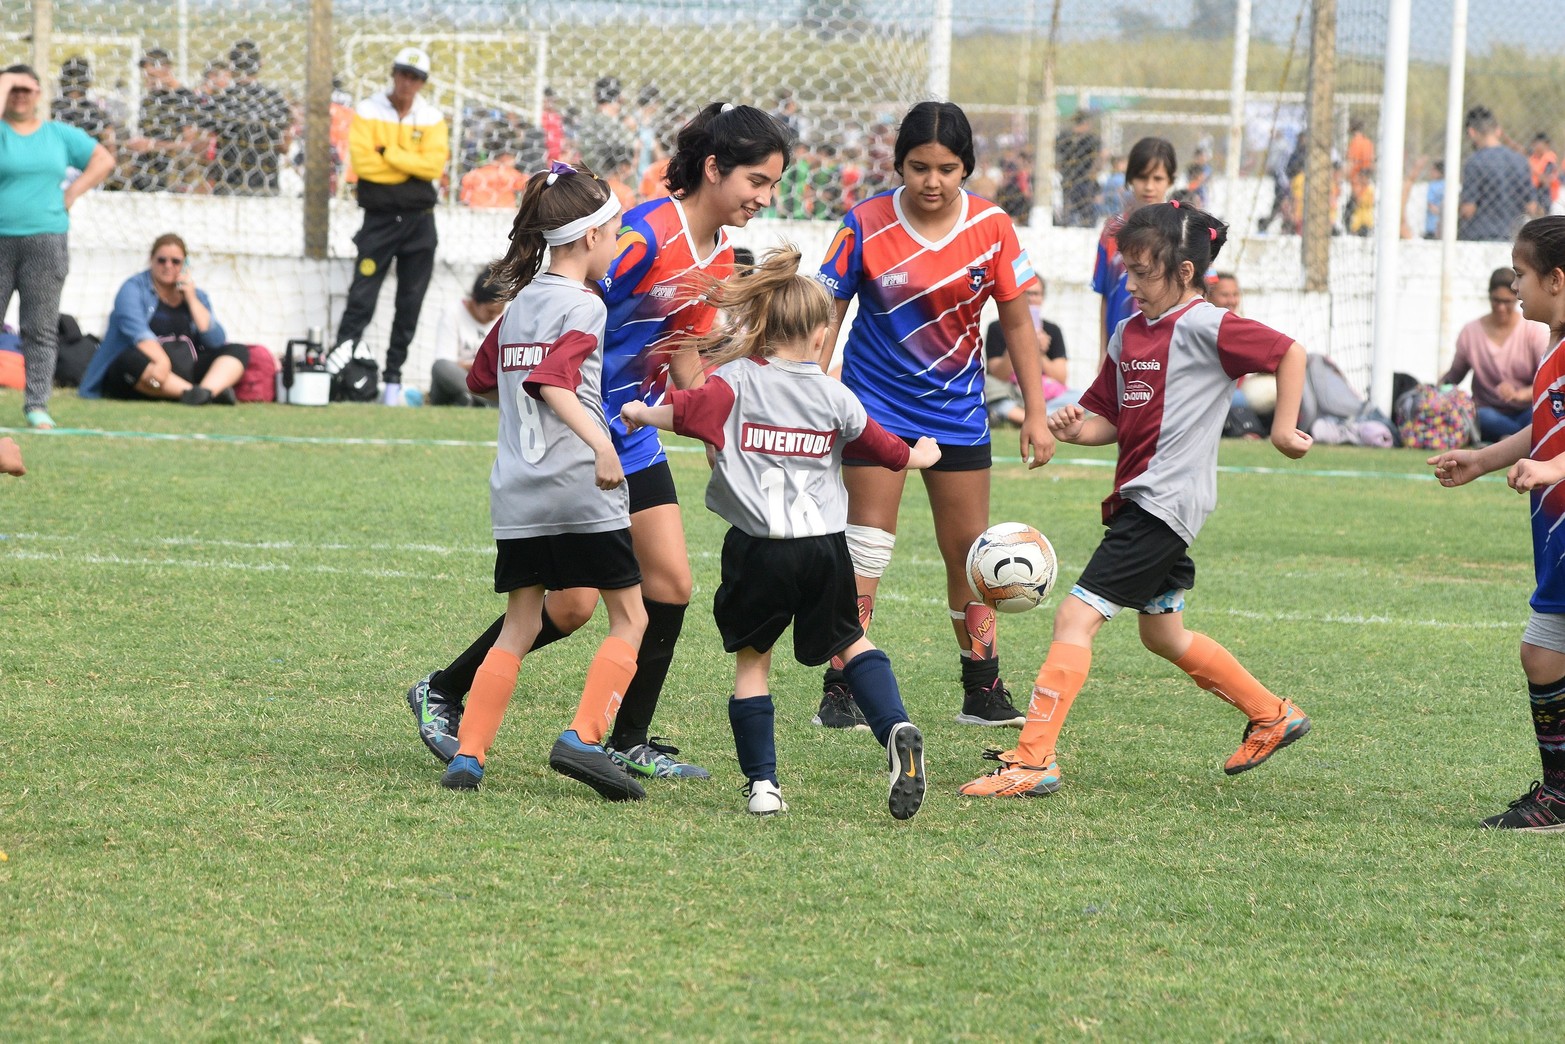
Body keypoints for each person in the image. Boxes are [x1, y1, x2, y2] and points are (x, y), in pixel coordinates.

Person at [405, 104, 794, 781]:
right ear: (713, 169)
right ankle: (443, 687)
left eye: (771, 186)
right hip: (579, 437)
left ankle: (626, 739)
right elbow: (561, 301)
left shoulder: (717, 257)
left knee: (670, 582)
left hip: (632, 433)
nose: (763, 198)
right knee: (573, 607)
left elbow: (683, 360)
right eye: (756, 181)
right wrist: (506, 363)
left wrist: (718, 443)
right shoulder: (639, 234)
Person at [960, 200, 1314, 799]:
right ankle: (1272, 713)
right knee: (1164, 633)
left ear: (1182, 272)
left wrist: (1282, 429)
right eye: (1126, 270)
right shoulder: (1128, 333)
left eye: (1144, 272)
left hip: (1163, 503)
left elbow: (1289, 354)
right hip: (1140, 499)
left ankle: (1032, 759)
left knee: (1076, 617)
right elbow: (1111, 418)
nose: (1130, 284)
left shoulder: (1207, 326)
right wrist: (1076, 428)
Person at [620, 245, 938, 818]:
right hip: (825, 549)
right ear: (821, 336)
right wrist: (924, 455)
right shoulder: (835, 395)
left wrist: (642, 415)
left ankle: (764, 786)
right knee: (850, 640)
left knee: (752, 661)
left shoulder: (735, 382)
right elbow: (887, 451)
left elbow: (685, 410)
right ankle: (896, 727)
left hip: (758, 549)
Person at [815, 100, 1054, 732]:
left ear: (966, 168)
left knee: (971, 555)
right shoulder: (863, 223)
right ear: (898, 164)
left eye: (947, 168)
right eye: (918, 166)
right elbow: (828, 314)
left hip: (959, 412)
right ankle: (842, 684)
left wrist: (1035, 410)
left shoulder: (994, 226)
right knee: (866, 547)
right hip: (875, 407)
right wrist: (811, 389)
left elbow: (1018, 321)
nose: (932, 181)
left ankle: (982, 684)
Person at [436, 162, 647, 800]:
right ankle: (583, 737)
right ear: (588, 239)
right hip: (578, 486)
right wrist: (603, 444)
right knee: (630, 617)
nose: (618, 243)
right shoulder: (585, 305)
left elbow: (479, 377)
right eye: (615, 232)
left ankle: (469, 755)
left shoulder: (521, 303)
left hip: (517, 491)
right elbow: (553, 381)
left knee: (519, 623)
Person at [1428, 216, 1565, 830]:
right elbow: (1544, 427)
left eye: (1521, 273)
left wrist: (1550, 472)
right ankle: (1560, 795)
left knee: (1542, 651)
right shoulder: (1555, 350)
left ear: (1556, 280)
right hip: (1555, 536)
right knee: (1542, 655)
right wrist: (1483, 460)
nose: (1514, 284)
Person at [333, 46, 449, 407]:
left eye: (414, 77)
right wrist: (408, 165)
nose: (406, 82)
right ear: (393, 73)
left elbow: (432, 168)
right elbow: (364, 166)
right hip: (379, 221)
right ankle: (341, 375)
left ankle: (392, 382)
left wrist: (388, 153)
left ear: (422, 83)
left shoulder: (432, 117)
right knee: (361, 297)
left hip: (420, 224)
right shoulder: (367, 110)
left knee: (410, 303)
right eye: (402, 73)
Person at [0, 65, 115, 429]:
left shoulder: (57, 135)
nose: (19, 95)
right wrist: (5, 82)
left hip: (46, 241)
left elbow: (103, 160)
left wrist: (71, 194)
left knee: (40, 327)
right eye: (12, 89)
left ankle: (37, 405)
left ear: (39, 93)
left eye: (26, 89)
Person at [77, 233, 248, 405]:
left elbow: (215, 341)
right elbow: (137, 333)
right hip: (148, 370)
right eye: (161, 260)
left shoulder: (197, 296)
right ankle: (196, 394)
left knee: (238, 351)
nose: (168, 266)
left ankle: (203, 393)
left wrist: (191, 298)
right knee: (128, 361)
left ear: (185, 265)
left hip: (181, 370)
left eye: (176, 262)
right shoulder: (132, 288)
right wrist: (162, 360)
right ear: (151, 260)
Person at [1440, 266, 1548, 443]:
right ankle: (1522, 440)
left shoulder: (1532, 330)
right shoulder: (1471, 332)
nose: (1501, 307)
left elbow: (1544, 380)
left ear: (1516, 297)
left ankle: (1510, 440)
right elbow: (1454, 375)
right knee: (1481, 416)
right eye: (1496, 300)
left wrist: (1518, 394)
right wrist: (1434, 392)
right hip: (1489, 411)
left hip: (1527, 410)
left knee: (1542, 415)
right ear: (1489, 297)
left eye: (1507, 302)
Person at [1095, 137, 1177, 360]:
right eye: (1142, 177)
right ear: (1130, 178)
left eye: (1157, 178)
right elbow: (1105, 295)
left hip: (1166, 350)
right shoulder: (1112, 232)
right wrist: (1103, 352)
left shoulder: (1182, 230)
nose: (1149, 186)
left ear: (1170, 180)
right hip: (1119, 350)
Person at [985, 278, 1076, 427]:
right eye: (1026, 294)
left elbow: (1061, 378)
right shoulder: (996, 328)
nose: (1031, 299)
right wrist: (1017, 342)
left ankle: (1026, 417)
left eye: (1036, 294)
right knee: (986, 387)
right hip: (1010, 391)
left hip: (1044, 393)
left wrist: (1039, 352)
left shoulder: (1052, 330)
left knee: (1080, 398)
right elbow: (996, 375)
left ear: (1042, 297)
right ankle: (1043, 419)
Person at [208, 41, 292, 196]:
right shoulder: (275, 99)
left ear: (231, 66)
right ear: (260, 64)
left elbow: (205, 144)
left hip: (227, 184)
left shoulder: (220, 100)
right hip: (265, 183)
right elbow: (285, 145)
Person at [124, 48, 205, 193]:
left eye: (153, 76)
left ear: (167, 68)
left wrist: (153, 145)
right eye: (146, 77)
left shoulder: (185, 98)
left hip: (173, 176)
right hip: (144, 174)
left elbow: (191, 145)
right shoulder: (149, 100)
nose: (149, 81)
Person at [428, 271, 505, 407]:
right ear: (475, 301)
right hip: (460, 381)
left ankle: (471, 400)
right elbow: (447, 363)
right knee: (440, 367)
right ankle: (489, 401)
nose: (494, 317)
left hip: (488, 380)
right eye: (490, 311)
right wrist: (478, 366)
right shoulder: (453, 313)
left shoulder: (503, 318)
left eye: (498, 312)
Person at [1459, 106, 1533, 242]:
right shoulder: (1521, 161)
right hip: (1512, 238)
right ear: (1498, 131)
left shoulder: (1475, 162)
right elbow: (1531, 206)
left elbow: (1468, 210)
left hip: (1479, 236)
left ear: (1471, 132)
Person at [1055, 110, 1100, 228]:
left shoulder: (1090, 138)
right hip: (1073, 177)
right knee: (1073, 205)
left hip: (1081, 177)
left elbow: (1098, 157)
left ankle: (1084, 223)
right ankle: (1073, 223)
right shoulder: (1066, 137)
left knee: (1083, 204)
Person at [458, 137, 527, 208]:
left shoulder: (473, 175)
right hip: (505, 214)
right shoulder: (510, 174)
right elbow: (528, 185)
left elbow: (464, 198)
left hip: (478, 213)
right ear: (505, 156)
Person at [1529, 134, 1560, 216]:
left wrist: (1533, 170)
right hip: (1534, 194)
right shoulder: (1533, 158)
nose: (1534, 146)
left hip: (1549, 197)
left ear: (1546, 144)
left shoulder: (1549, 159)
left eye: (1537, 144)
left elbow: (1545, 181)